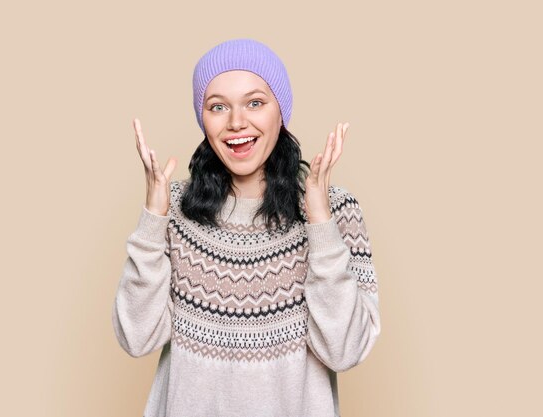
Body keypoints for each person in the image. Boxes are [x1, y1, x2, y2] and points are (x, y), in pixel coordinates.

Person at [112, 38, 381, 417]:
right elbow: (136, 339)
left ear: (281, 112)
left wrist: (320, 225)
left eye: (255, 103)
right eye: (218, 106)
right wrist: (152, 222)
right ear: (202, 118)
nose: (237, 122)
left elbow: (345, 350)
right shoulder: (174, 209)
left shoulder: (337, 210)